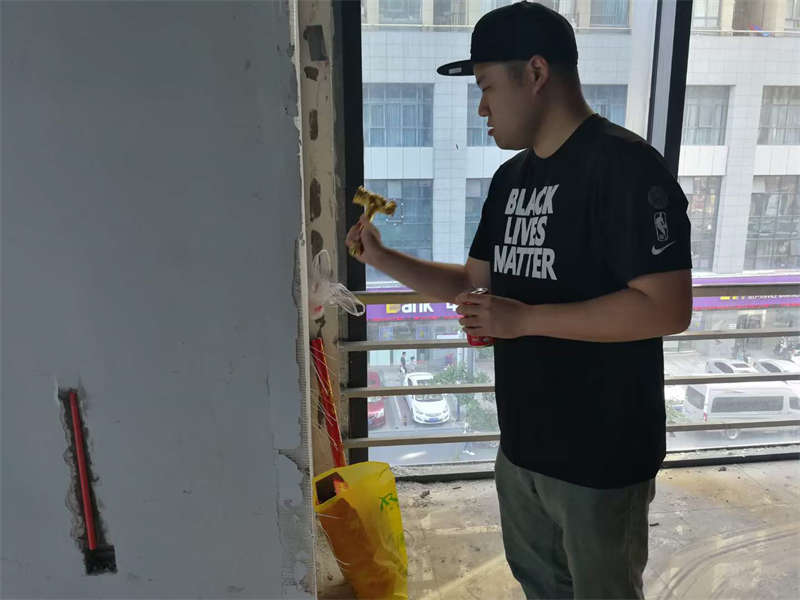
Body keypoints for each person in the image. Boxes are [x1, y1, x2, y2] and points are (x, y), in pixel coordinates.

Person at [346, 2, 692, 598]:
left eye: (486, 87)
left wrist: (525, 318)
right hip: (524, 446)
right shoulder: (511, 180)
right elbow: (475, 283)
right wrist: (382, 259)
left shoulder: (626, 166)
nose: (481, 107)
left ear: (535, 73)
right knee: (540, 587)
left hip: (603, 454)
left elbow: (666, 307)